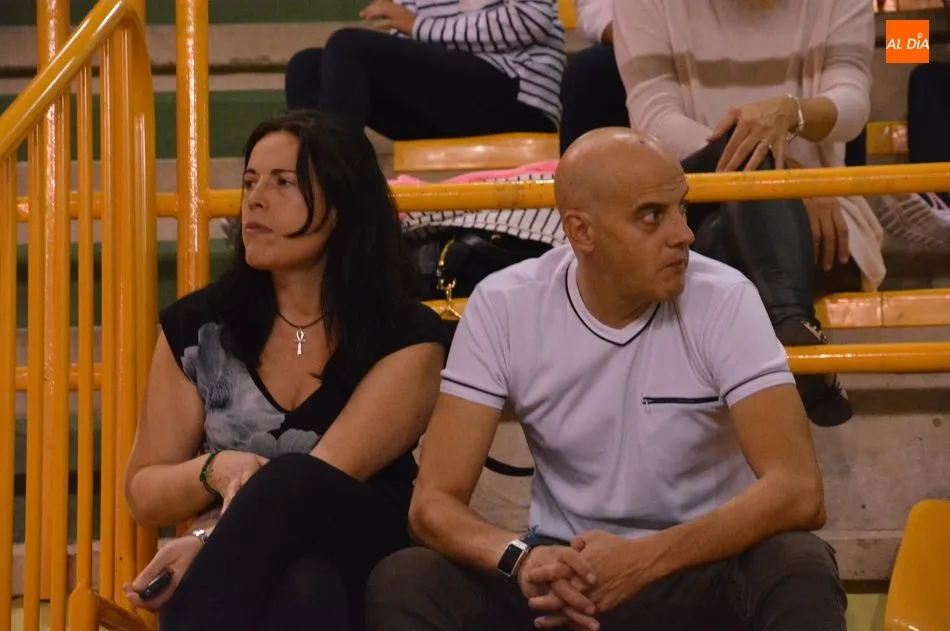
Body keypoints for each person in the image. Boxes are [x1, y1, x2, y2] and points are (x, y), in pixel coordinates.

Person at [364, 128, 846, 631]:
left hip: (696, 561)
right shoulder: (505, 304)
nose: (684, 234)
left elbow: (798, 490)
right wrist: (521, 559)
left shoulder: (725, 297)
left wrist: (645, 559)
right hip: (564, 566)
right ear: (582, 233)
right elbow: (432, 504)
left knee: (797, 562)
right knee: (409, 579)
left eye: (681, 208)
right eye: (652, 216)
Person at [122, 111, 446, 631]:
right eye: (250, 181)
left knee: (295, 483)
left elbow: (314, 482)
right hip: (266, 583)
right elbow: (143, 490)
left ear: (341, 206)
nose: (255, 199)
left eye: (283, 183)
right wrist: (215, 468)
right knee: (303, 588)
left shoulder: (407, 336)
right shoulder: (200, 329)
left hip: (365, 558)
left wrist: (205, 540)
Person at [611, 0, 889, 427]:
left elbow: (852, 102)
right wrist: (782, 177)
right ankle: (795, 331)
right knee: (724, 197)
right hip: (692, 203)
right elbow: (655, 120)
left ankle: (787, 338)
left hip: (820, 216)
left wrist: (793, 114)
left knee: (714, 249)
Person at [284, 0, 566, 141]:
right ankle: (309, 186)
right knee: (306, 67)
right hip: (446, 94)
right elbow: (408, 38)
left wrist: (421, 27)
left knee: (349, 45)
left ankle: (338, 188)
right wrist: (416, 30)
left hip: (517, 91)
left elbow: (531, 19)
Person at [558, 0, 628, 153]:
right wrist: (636, 42)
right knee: (588, 72)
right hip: (629, 43)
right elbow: (595, 9)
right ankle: (580, 165)